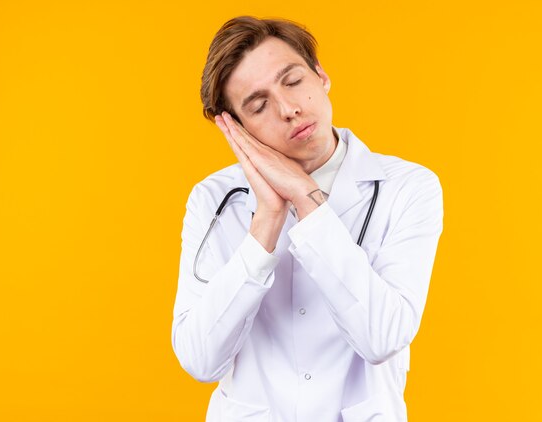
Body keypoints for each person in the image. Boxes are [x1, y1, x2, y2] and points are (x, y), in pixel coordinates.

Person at [171, 15, 444, 422]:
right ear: (238, 129)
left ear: (321, 76)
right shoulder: (214, 199)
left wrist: (306, 198)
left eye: (294, 81)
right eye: (259, 106)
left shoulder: (408, 186)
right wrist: (267, 218)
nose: (289, 109)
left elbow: (382, 337)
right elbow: (200, 359)